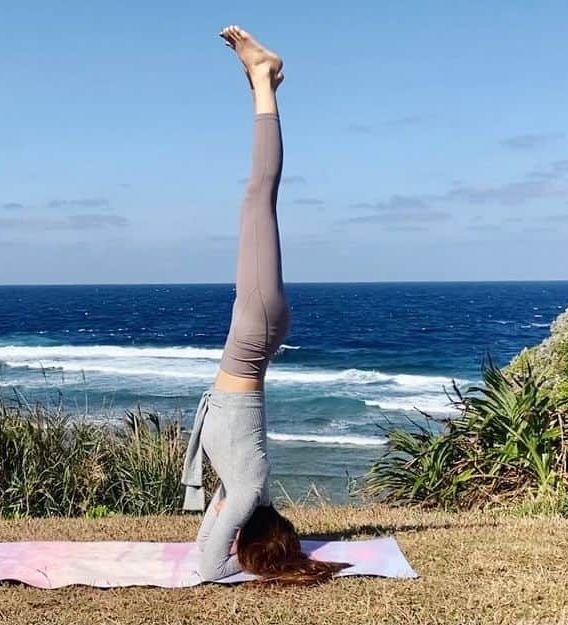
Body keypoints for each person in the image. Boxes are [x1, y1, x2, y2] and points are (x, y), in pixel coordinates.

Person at [180, 25, 349, 585]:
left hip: (259, 338)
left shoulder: (251, 491)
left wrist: (255, 552)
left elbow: (214, 533)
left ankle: (262, 84)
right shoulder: (249, 490)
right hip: (252, 336)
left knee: (259, 200)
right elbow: (209, 566)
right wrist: (241, 561)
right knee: (259, 196)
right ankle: (264, 79)